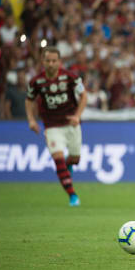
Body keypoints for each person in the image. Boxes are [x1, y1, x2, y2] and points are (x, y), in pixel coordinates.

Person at [25, 47, 88, 207]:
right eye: (48, 61)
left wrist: (77, 116)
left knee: (75, 159)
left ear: (59, 62)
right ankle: (73, 196)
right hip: (52, 126)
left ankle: (68, 167)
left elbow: (84, 96)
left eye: (54, 61)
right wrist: (31, 120)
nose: (51, 64)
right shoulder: (36, 81)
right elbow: (29, 99)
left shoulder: (70, 77)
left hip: (71, 123)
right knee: (58, 158)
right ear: (43, 62)